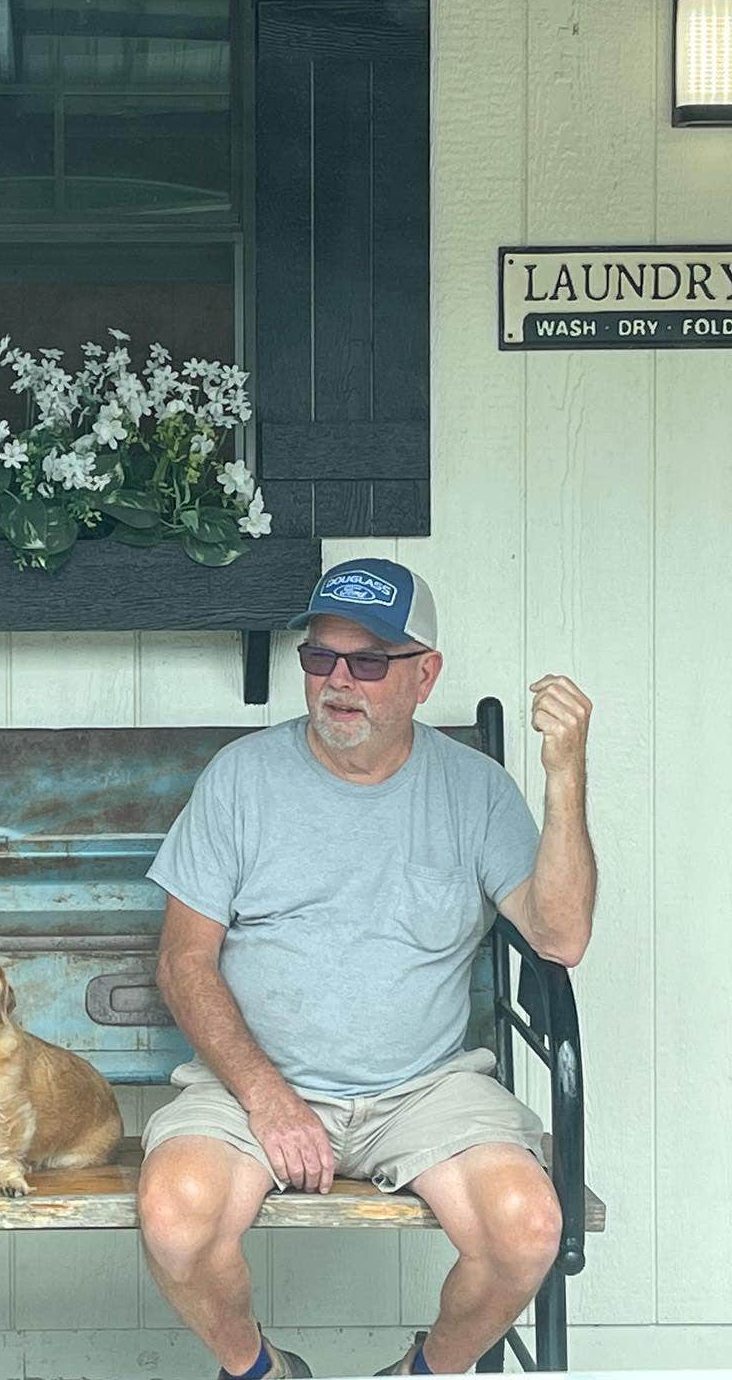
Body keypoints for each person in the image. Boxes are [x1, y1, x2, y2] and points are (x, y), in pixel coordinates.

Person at [137, 558, 595, 1379]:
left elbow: (559, 938)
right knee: (175, 1216)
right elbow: (183, 963)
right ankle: (260, 1372)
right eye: (320, 658)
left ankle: (423, 1374)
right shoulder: (244, 779)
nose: (338, 681)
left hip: (421, 1090)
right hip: (254, 1085)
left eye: (369, 662)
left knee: (526, 1228)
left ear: (426, 677)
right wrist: (269, 1097)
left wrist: (565, 778)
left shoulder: (475, 790)